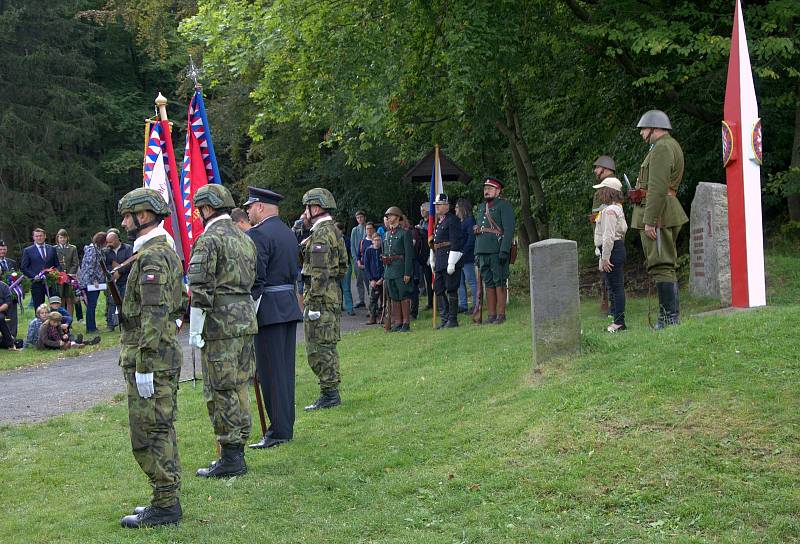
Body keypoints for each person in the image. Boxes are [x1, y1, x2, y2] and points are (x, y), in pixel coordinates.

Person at [117, 188, 187, 529]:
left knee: (151, 431)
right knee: (158, 427)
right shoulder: (157, 251)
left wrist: (144, 363)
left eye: (128, 215)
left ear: (144, 216)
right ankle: (164, 497)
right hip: (157, 352)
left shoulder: (153, 257)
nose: (124, 221)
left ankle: (165, 504)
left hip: (152, 356)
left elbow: (154, 312)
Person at [188, 184, 258, 476]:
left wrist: (195, 325)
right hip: (244, 317)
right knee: (239, 383)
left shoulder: (209, 240)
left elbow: (199, 286)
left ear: (206, 209)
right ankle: (237, 447)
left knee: (220, 388)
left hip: (220, 322)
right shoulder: (244, 238)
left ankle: (231, 456)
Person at [242, 187, 303, 450]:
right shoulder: (287, 232)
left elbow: (257, 277)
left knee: (270, 373)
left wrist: (248, 309)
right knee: (284, 370)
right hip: (287, 305)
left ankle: (278, 430)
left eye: (250, 207)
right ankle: (284, 426)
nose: (247, 211)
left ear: (260, 207)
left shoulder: (258, 234)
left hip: (268, 309)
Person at [631, 110, 688, 329]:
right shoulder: (665, 146)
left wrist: (650, 219)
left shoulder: (663, 147)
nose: (642, 133)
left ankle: (668, 319)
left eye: (643, 129)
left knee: (661, 263)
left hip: (660, 213)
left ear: (654, 128)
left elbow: (657, 187)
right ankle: (668, 317)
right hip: (663, 210)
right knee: (663, 263)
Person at [300, 188, 348, 411]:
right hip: (331, 293)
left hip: (321, 297)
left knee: (319, 346)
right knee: (326, 344)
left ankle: (329, 393)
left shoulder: (321, 234)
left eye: (307, 207)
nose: (304, 212)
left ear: (315, 208)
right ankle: (330, 392)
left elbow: (318, 271)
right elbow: (342, 267)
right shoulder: (333, 231)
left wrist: (315, 302)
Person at [474, 178, 515, 324]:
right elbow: (479, 231)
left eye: (490, 188)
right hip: (483, 250)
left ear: (498, 191)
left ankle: (500, 314)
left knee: (500, 281)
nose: (486, 191)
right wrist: (476, 253)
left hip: (496, 250)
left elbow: (508, 230)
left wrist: (504, 250)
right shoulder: (481, 207)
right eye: (485, 188)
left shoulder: (504, 206)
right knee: (488, 282)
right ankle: (491, 315)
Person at [593, 177, 628, 332]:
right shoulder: (614, 209)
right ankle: (617, 320)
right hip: (614, 249)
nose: (600, 193)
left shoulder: (610, 211)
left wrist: (605, 257)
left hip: (612, 250)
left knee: (616, 287)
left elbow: (608, 237)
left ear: (609, 192)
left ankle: (619, 322)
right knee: (614, 287)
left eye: (602, 190)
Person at [429, 194, 464, 328]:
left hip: (450, 258)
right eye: (436, 205)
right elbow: (436, 242)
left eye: (439, 204)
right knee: (438, 289)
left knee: (451, 289)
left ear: (447, 206)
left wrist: (452, 262)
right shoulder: (441, 221)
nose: (437, 207)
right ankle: (445, 319)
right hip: (440, 258)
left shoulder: (452, 220)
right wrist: (433, 257)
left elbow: (456, 241)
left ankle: (452, 319)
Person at [381, 207, 414, 332]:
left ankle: (406, 322)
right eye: (387, 216)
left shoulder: (404, 233)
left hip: (400, 269)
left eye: (390, 215)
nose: (388, 218)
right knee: (394, 296)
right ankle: (398, 321)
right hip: (389, 269)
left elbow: (409, 255)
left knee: (403, 295)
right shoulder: (387, 234)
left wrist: (407, 272)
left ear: (397, 216)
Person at [21, 228, 61, 308]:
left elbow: (57, 265)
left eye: (41, 236)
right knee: (39, 307)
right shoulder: (28, 250)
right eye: (37, 236)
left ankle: (55, 320)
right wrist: (34, 276)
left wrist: (55, 273)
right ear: (33, 237)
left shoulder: (52, 249)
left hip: (51, 282)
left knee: (55, 305)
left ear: (45, 236)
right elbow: (24, 267)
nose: (39, 238)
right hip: (37, 283)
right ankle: (40, 320)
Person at [77, 231, 107, 334]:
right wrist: (94, 280)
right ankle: (91, 328)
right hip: (91, 283)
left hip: (94, 282)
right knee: (91, 305)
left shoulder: (97, 249)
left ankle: (92, 326)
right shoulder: (92, 250)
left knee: (92, 305)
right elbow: (89, 267)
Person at [104, 229, 133, 332]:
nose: (108, 244)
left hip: (126, 280)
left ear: (117, 240)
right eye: (107, 242)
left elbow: (130, 263)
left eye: (110, 242)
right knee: (111, 302)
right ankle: (110, 325)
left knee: (126, 301)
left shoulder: (128, 248)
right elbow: (106, 264)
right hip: (113, 281)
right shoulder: (107, 251)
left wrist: (119, 271)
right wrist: (112, 272)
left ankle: (128, 323)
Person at [455, 198, 477, 314]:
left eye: (457, 207)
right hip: (459, 256)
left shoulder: (469, 221)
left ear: (462, 208)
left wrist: (463, 251)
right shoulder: (460, 222)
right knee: (460, 281)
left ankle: (476, 304)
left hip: (467, 256)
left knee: (471, 281)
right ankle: (463, 304)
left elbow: (471, 238)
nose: (455, 210)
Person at [54, 229, 80, 318]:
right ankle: (61, 319)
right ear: (58, 238)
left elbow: (75, 263)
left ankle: (70, 320)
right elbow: (53, 263)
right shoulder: (54, 249)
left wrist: (69, 274)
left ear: (67, 238)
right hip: (58, 277)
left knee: (69, 298)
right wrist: (59, 274)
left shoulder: (73, 248)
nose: (62, 239)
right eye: (61, 238)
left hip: (70, 277)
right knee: (61, 299)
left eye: (64, 237)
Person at [363, 233, 384, 325]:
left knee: (383, 299)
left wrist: (382, 278)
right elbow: (366, 266)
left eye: (379, 240)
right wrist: (371, 279)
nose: (377, 242)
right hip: (373, 279)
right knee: (373, 300)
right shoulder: (368, 251)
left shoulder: (383, 250)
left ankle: (382, 316)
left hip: (382, 278)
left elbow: (386, 265)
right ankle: (372, 316)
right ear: (372, 241)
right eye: (375, 240)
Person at [0, 240, 19, 337]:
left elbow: (18, 277)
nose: (2, 251)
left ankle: (12, 335)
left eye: (4, 249)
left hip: (12, 293)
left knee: (12, 315)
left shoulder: (12, 262)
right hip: (1, 292)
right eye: (0, 249)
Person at [349, 210, 368, 308]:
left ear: (364, 217)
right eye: (358, 218)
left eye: (361, 217)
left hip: (367, 259)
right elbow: (352, 246)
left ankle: (371, 301)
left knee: (369, 280)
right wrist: (356, 259)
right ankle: (361, 300)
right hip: (357, 259)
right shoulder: (354, 230)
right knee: (359, 280)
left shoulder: (368, 228)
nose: (360, 219)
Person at [416, 204, 433, 310]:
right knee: (427, 280)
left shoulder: (431, 222)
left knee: (433, 280)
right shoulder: (422, 222)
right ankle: (430, 302)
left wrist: (421, 229)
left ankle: (436, 301)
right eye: (421, 210)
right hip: (423, 255)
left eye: (424, 210)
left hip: (431, 253)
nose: (422, 212)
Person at [337, 222, 355, 316]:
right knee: (337, 288)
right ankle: (338, 308)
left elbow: (349, 251)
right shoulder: (332, 240)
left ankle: (350, 308)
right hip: (336, 267)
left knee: (346, 288)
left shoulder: (347, 240)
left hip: (346, 266)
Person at [0, 278, 18, 350]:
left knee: (0, 318)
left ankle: (10, 343)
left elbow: (7, 303)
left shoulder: (4, 287)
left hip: (1, 311)